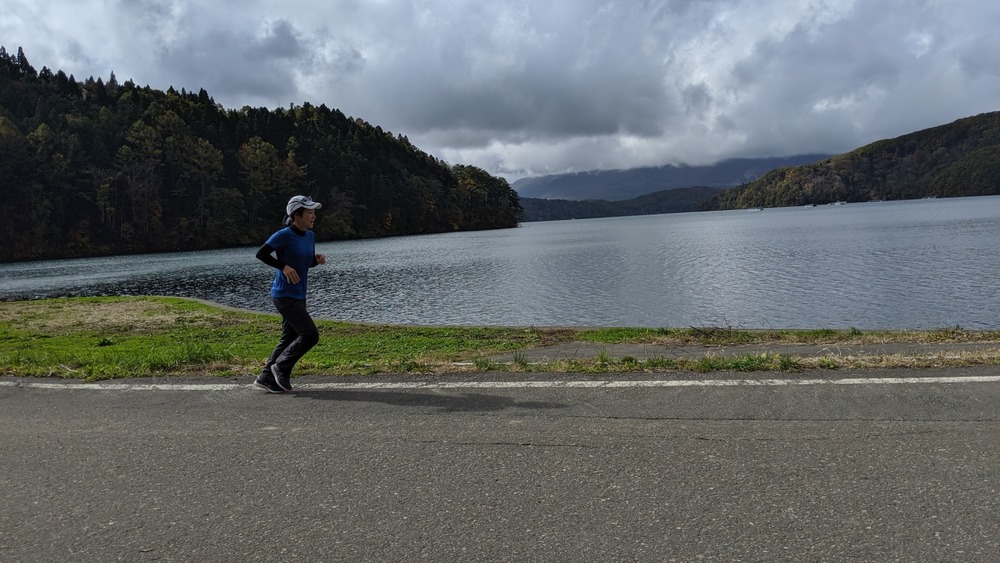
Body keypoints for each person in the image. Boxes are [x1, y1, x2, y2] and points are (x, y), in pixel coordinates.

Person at [253, 195, 327, 393]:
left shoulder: (310, 236)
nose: (313, 216)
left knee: (288, 338)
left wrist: (316, 260)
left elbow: (305, 261)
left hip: (299, 294)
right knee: (310, 335)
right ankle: (281, 367)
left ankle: (266, 377)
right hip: (283, 294)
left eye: (313, 212)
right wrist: (283, 266)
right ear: (296, 215)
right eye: (309, 212)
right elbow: (261, 254)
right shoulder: (283, 235)